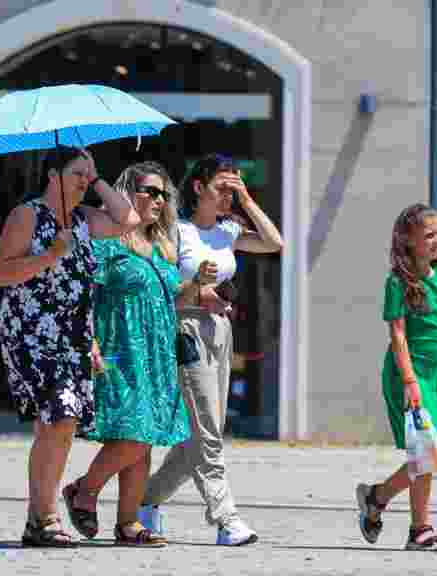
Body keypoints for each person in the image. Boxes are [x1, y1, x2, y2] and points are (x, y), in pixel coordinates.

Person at [0, 146, 140, 547]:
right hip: (33, 333)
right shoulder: (27, 215)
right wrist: (51, 253)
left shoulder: (84, 219)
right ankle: (44, 518)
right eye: (77, 173)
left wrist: (96, 181)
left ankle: (38, 519)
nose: (85, 182)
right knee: (58, 419)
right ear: (52, 175)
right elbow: (2, 273)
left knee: (63, 424)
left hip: (74, 335)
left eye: (88, 176)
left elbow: (129, 219)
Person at [137, 154, 283, 546]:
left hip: (219, 330)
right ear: (199, 188)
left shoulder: (229, 231)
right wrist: (199, 290)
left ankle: (144, 501)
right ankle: (225, 519)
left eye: (234, 189)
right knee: (208, 433)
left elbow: (274, 242)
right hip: (184, 328)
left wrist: (247, 199)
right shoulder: (176, 231)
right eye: (223, 187)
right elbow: (160, 290)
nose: (228, 197)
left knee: (202, 434)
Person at [61, 161, 202, 547]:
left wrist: (197, 287)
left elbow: (172, 298)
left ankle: (128, 524)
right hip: (120, 348)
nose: (158, 199)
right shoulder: (109, 241)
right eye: (149, 191)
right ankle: (83, 490)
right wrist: (87, 340)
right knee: (135, 433)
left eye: (163, 193)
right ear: (128, 194)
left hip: (156, 352)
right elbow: (84, 292)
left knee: (145, 436)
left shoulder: (162, 246)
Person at [355, 203, 437, 551]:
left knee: (429, 452)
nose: (436, 240)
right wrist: (410, 381)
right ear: (408, 240)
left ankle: (377, 498)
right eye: (428, 235)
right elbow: (397, 336)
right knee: (426, 453)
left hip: (433, 376)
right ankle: (419, 530)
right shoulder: (398, 282)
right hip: (405, 375)